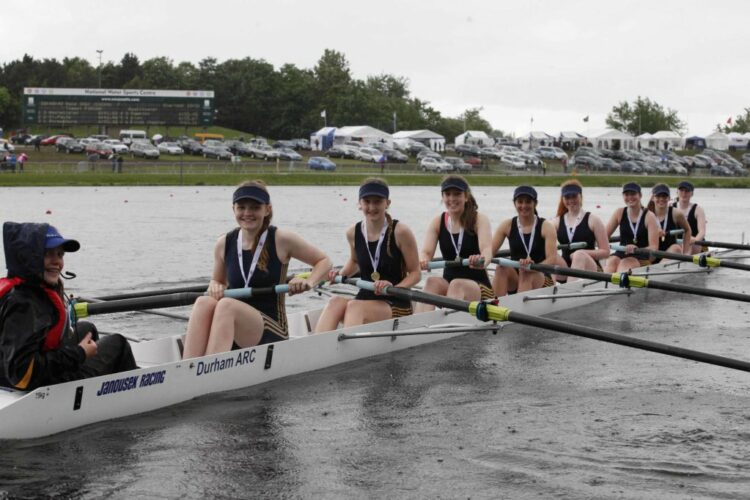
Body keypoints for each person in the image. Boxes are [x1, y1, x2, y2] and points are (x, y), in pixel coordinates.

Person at [182, 181, 331, 359]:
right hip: (232, 324)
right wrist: (215, 285)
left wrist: (308, 281)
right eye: (241, 207)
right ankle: (188, 367)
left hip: (272, 330)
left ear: (267, 210)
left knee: (226, 305)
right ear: (233, 210)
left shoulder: (281, 239)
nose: (247, 213)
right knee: (203, 302)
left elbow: (324, 261)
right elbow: (218, 281)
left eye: (254, 207)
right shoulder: (224, 243)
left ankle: (206, 371)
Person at [0, 222, 137, 391]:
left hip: (10, 375)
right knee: (119, 343)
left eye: (60, 254)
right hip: (36, 387)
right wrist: (79, 353)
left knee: (87, 328)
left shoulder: (23, 289)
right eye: (49, 254)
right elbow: (22, 374)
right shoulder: (25, 304)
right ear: (30, 257)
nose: (57, 262)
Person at [314, 178, 420, 332]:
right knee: (335, 301)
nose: (371, 207)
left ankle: (345, 352)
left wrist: (394, 287)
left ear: (387, 203)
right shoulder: (352, 232)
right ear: (359, 204)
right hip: (365, 298)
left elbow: (416, 273)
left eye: (377, 201)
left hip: (395, 302)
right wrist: (339, 274)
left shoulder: (401, 232)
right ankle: (319, 349)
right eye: (367, 201)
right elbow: (355, 261)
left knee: (355, 307)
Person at [415, 175, 494, 313]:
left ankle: (445, 327)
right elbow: (426, 252)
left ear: (466, 197)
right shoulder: (437, 222)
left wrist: (482, 260)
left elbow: (487, 249)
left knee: (457, 285)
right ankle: (417, 327)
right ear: (443, 197)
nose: (452, 199)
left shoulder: (479, 219)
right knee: (431, 282)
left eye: (457, 194)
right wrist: (423, 260)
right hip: (450, 284)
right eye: (448, 194)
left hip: (479, 287)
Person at [491, 185, 558, 296]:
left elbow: (552, 259)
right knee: (501, 267)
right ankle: (496, 306)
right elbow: (489, 252)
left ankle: (516, 310)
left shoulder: (546, 226)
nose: (523, 206)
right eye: (520, 202)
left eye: (528, 202)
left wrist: (532, 268)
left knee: (526, 272)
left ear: (535, 204)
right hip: (517, 276)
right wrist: (477, 258)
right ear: (514, 204)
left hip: (540, 274)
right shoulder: (506, 225)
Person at [550, 180, 610, 281]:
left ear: (580, 196)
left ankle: (568, 293)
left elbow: (606, 252)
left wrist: (582, 252)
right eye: (567, 197)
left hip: (591, 268)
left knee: (579, 255)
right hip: (566, 268)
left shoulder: (593, 220)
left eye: (574, 196)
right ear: (563, 199)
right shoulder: (556, 222)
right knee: (550, 254)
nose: (571, 200)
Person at [604, 182, 660, 273]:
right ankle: (604, 283)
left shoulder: (649, 216)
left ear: (640, 195)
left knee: (625, 263)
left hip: (641, 256)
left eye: (633, 194)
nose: (630, 197)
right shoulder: (619, 213)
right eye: (626, 194)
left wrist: (636, 249)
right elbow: (604, 236)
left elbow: (654, 247)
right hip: (621, 252)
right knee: (611, 261)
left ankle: (618, 283)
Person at [647, 183, 692, 258]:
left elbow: (687, 230)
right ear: (653, 198)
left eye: (664, 196)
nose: (661, 199)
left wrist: (686, 252)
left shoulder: (676, 213)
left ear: (669, 198)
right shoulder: (646, 214)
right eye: (658, 196)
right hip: (651, 255)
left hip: (670, 253)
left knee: (676, 248)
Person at [672, 180, 707, 254]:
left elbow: (702, 231)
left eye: (687, 191)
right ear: (677, 192)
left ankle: (685, 260)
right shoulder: (671, 207)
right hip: (677, 244)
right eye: (681, 191)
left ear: (692, 194)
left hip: (694, 244)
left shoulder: (698, 210)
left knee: (689, 242)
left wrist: (695, 240)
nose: (684, 193)